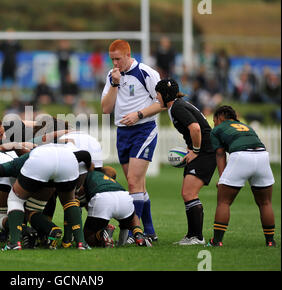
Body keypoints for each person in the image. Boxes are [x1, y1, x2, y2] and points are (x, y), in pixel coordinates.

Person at [100, 39, 162, 242]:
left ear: (128, 55)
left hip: (144, 129)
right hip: (123, 133)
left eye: (118, 59)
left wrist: (139, 114)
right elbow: (106, 108)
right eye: (112, 59)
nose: (115, 63)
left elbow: (163, 102)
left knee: (134, 183)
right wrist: (114, 84)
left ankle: (132, 232)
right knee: (136, 185)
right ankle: (149, 231)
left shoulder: (146, 72)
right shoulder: (112, 76)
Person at [155, 78, 216, 245]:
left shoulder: (177, 107)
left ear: (166, 95)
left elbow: (195, 128)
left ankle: (197, 237)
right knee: (187, 193)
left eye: (158, 94)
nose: (156, 97)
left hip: (204, 152)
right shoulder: (177, 105)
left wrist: (195, 150)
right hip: (202, 151)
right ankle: (192, 236)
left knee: (189, 193)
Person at [207, 105, 276, 247]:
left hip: (241, 156)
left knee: (224, 202)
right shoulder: (245, 126)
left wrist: (222, 178)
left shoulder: (217, 129)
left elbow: (220, 154)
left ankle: (216, 241)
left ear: (220, 117)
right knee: (265, 203)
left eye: (215, 121)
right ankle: (270, 241)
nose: (215, 124)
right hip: (262, 156)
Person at [80, 167, 151, 248]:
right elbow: (112, 172)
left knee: (88, 237)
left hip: (102, 198)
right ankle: (138, 234)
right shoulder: (107, 178)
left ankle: (103, 234)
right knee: (132, 217)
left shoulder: (85, 175)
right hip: (124, 197)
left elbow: (81, 195)